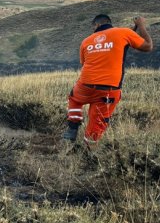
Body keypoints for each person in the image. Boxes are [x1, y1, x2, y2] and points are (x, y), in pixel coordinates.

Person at [63, 14, 153, 144]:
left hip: (85, 85)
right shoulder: (124, 32)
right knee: (97, 122)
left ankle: (72, 127)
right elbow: (148, 46)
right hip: (108, 89)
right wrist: (141, 26)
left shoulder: (86, 41)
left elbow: (84, 64)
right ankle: (88, 148)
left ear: (97, 25)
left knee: (74, 99)